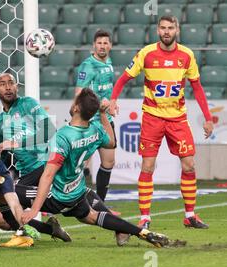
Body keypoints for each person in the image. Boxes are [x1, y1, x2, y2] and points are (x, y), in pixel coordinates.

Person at [21, 88, 170, 248]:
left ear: (76, 108)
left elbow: (48, 175)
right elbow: (111, 143)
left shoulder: (63, 136)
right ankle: (141, 232)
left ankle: (37, 230)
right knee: (92, 216)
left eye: (75, 101)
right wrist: (103, 115)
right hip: (77, 192)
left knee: (11, 193)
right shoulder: (96, 129)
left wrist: (34, 210)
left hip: (59, 195)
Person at [109, 15, 214, 229]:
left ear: (177, 30)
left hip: (178, 118)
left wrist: (208, 117)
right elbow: (123, 78)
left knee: (189, 164)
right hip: (152, 118)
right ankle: (145, 217)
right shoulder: (146, 54)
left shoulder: (186, 55)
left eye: (171, 28)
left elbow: (197, 87)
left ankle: (190, 215)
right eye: (163, 28)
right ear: (158, 30)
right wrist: (113, 100)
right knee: (147, 167)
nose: (167, 31)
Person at [0, 73, 72, 242]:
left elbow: (49, 130)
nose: (7, 87)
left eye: (11, 83)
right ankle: (51, 229)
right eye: (2, 84)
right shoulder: (0, 120)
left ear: (17, 87)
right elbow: (4, 154)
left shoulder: (27, 104)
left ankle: (24, 236)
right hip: (27, 174)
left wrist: (15, 143)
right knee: (1, 218)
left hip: (45, 163)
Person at [75, 30, 116, 202]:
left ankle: (100, 204)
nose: (102, 46)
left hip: (106, 120)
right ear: (94, 45)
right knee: (80, 164)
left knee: (108, 162)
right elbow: (79, 94)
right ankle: (74, 201)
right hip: (90, 121)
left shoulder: (109, 62)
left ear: (110, 46)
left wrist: (113, 103)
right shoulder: (88, 66)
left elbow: (107, 89)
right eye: (99, 43)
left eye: (105, 43)